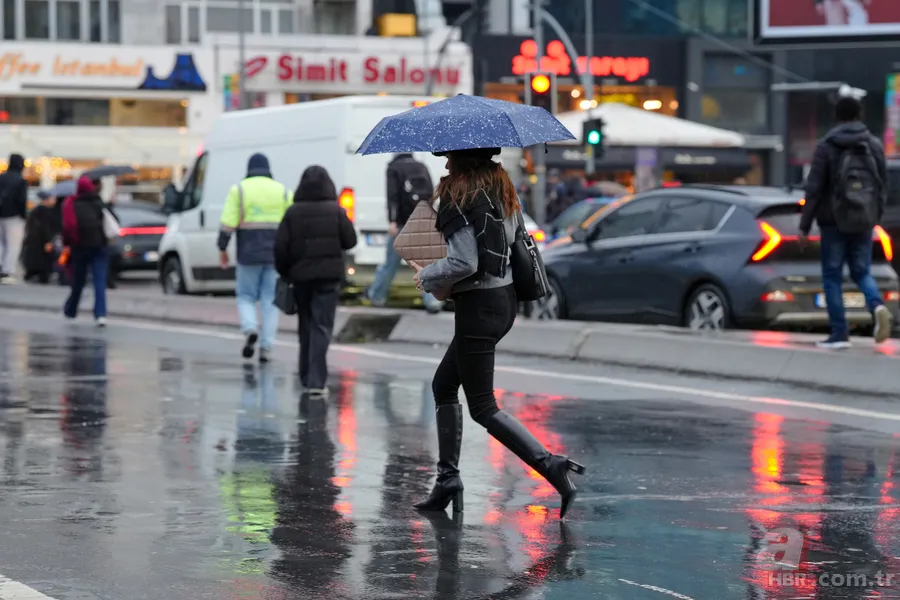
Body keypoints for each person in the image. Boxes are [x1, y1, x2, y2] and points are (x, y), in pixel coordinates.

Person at [410, 148, 586, 519]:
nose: (444, 164)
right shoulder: (502, 189)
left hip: (479, 307)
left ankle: (550, 464)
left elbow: (464, 261)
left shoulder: (459, 198)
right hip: (505, 301)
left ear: (461, 161)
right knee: (443, 385)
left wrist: (427, 275)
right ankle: (447, 480)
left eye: (448, 158)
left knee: (483, 407)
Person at [802, 95, 891, 349]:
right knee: (861, 271)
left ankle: (839, 333)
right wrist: (875, 216)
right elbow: (883, 184)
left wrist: (804, 225)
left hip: (833, 222)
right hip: (863, 219)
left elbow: (814, 188)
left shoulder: (827, 146)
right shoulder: (873, 144)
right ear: (859, 115)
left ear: (837, 116)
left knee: (832, 276)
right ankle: (877, 305)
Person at [274, 166, 357, 397]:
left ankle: (305, 376)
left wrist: (285, 272)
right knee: (322, 326)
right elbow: (350, 240)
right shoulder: (336, 211)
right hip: (329, 278)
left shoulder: (292, 212)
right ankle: (316, 381)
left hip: (300, 278)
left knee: (306, 326)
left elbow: (280, 247)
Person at [218, 153, 291, 363]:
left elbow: (227, 225)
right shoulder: (283, 191)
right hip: (275, 256)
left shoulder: (239, 190)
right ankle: (267, 348)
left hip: (248, 254)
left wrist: (222, 249)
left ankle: (250, 328)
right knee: (270, 301)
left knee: (246, 296)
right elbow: (290, 224)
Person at [366, 153, 443, 313]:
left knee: (390, 264)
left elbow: (392, 195)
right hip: (421, 221)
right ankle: (433, 301)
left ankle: (377, 296)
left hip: (402, 223)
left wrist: (392, 220)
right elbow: (431, 192)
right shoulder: (421, 166)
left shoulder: (393, 168)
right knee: (425, 264)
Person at [62, 176, 109, 325]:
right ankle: (100, 314)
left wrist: (67, 244)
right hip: (100, 246)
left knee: (78, 281)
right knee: (99, 281)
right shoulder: (98, 202)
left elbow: (67, 227)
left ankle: (71, 310)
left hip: (79, 246)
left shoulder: (71, 203)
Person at [0, 153, 28, 283]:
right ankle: (8, 271)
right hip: (14, 216)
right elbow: (21, 200)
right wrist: (23, 215)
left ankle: (2, 267)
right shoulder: (20, 180)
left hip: (1, 214)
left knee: (1, 244)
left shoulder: (2, 177)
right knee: (13, 245)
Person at [21, 191, 60, 283]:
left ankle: (31, 274)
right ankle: (43, 276)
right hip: (42, 240)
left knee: (35, 258)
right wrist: (48, 240)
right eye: (52, 198)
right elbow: (45, 227)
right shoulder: (45, 211)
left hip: (33, 240)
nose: (54, 201)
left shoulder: (35, 210)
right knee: (44, 259)